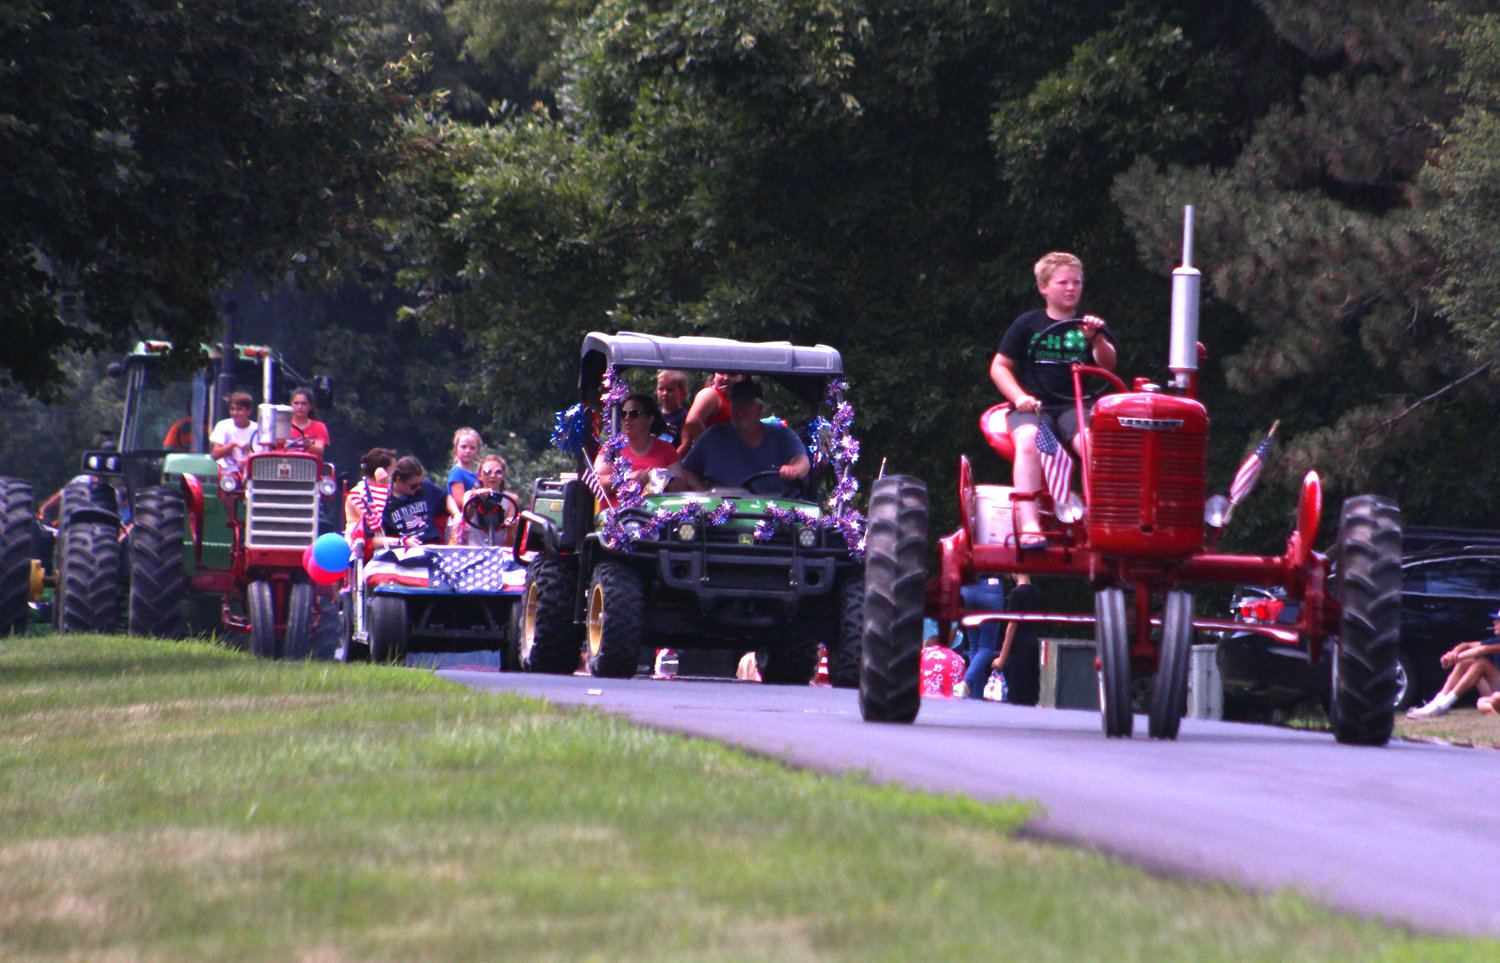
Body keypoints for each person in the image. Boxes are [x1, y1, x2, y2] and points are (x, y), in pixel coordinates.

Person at [989, 252, 1117, 543]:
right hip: (1033, 406)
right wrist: (1020, 397)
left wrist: (1096, 338)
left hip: (1075, 405)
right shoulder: (1027, 324)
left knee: (1091, 442)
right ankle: (1030, 524)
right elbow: (999, 367)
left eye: (1077, 283)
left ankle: (1101, 519)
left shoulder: (1089, 326)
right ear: (1044, 288)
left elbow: (1108, 366)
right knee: (1028, 441)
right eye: (1063, 283)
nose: (1071, 288)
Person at [677, 379, 809, 492]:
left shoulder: (782, 435)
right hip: (725, 512)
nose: (740, 411)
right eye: (736, 404)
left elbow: (802, 460)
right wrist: (704, 493)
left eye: (746, 405)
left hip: (772, 510)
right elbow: (688, 471)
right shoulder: (713, 436)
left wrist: (793, 470)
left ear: (759, 409)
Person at [1406, 609, 1500, 719]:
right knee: (1482, 703)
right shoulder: (1496, 640)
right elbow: (1466, 645)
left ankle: (1442, 706)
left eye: (1498, 620)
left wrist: (1453, 659)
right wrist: (1453, 653)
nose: (1494, 622)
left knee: (1482, 664)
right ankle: (1437, 702)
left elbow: (1482, 650)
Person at [595, 392, 681, 493]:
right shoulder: (612, 447)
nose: (627, 418)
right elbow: (596, 482)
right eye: (623, 414)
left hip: (652, 507)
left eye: (633, 414)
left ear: (650, 419)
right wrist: (628, 478)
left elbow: (680, 485)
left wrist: (660, 480)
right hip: (617, 508)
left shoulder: (666, 448)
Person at [992, 574, 1041, 706]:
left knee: (1016, 691)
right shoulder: (1036, 592)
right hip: (1032, 642)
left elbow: (1012, 625)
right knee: (1030, 690)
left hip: (1018, 646)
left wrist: (1002, 658)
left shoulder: (1016, 593)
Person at [379, 456, 447, 548]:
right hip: (403, 552)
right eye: (413, 486)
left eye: (420, 484)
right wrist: (403, 541)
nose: (418, 488)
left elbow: (446, 498)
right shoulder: (385, 500)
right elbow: (377, 538)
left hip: (431, 546)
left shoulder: (425, 487)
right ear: (399, 480)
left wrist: (456, 514)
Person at [456, 454, 522, 547]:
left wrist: (510, 529)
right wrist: (475, 500)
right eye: (487, 472)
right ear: (479, 476)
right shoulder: (469, 495)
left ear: (503, 475)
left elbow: (510, 544)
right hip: (474, 551)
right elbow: (466, 518)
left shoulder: (511, 499)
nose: (493, 476)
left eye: (498, 472)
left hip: (500, 553)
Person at [959, 578, 1007, 700]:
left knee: (974, 646)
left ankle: (975, 697)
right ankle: (966, 682)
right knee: (986, 646)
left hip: (968, 588)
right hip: (991, 588)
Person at [677, 371, 743, 457]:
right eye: (721, 373)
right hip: (713, 458)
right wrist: (713, 447)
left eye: (732, 374)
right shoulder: (710, 394)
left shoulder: (737, 399)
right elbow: (692, 421)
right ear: (714, 376)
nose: (726, 378)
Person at [345, 447, 396, 543]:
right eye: (393, 469)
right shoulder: (359, 493)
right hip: (362, 547)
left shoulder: (392, 490)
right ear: (383, 470)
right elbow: (376, 524)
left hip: (387, 542)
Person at [445, 427, 484, 541]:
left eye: (472, 448)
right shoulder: (457, 472)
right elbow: (460, 501)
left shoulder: (476, 474)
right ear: (456, 449)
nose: (468, 451)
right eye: (463, 447)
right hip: (462, 524)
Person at [209, 392, 259, 473]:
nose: (234, 413)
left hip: (251, 473)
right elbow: (215, 454)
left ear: (249, 411)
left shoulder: (257, 429)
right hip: (228, 474)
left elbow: (262, 454)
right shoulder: (223, 425)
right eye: (232, 409)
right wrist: (233, 444)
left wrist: (247, 461)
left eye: (239, 409)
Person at [288, 387, 330, 457]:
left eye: (304, 404)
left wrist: (310, 446)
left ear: (310, 406)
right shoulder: (282, 426)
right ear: (291, 405)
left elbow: (320, 451)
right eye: (296, 403)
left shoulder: (319, 427)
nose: (299, 407)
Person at [656, 369, 690, 445]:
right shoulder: (653, 414)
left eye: (670, 390)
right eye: (661, 389)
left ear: (683, 394)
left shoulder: (685, 417)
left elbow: (685, 444)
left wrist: (672, 457)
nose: (664, 393)